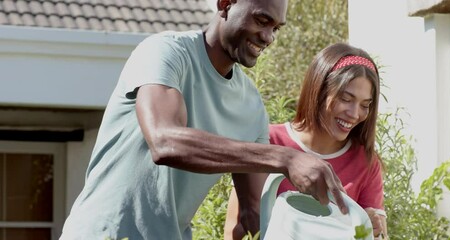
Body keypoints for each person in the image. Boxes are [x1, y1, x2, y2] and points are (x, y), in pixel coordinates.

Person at [59, 0, 350, 239]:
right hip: (102, 234)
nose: (269, 37)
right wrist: (285, 158)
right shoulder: (166, 53)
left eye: (276, 28)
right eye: (262, 21)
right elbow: (165, 141)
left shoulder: (251, 106)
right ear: (225, 3)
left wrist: (329, 229)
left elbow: (253, 214)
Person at [224, 42, 388, 240]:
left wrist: (373, 229)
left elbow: (378, 235)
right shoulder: (267, 141)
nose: (355, 114)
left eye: (365, 105)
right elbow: (235, 229)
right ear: (319, 91)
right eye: (346, 99)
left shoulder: (366, 163)